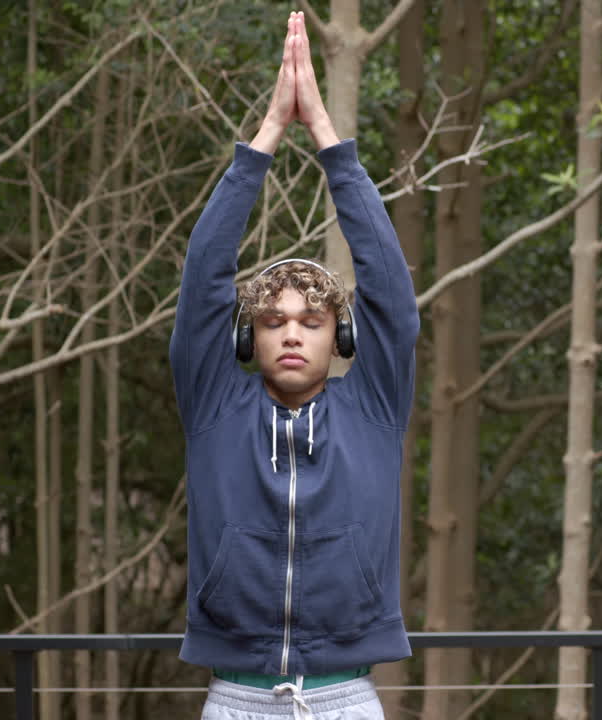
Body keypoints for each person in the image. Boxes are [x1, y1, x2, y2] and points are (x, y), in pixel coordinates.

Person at [169, 11, 418, 719]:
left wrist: (329, 142)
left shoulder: (372, 408)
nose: (291, 334)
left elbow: (393, 300)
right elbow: (204, 282)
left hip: (347, 698)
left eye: (312, 322)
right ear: (247, 338)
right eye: (272, 320)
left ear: (341, 338)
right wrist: (268, 135)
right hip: (235, 700)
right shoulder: (216, 406)